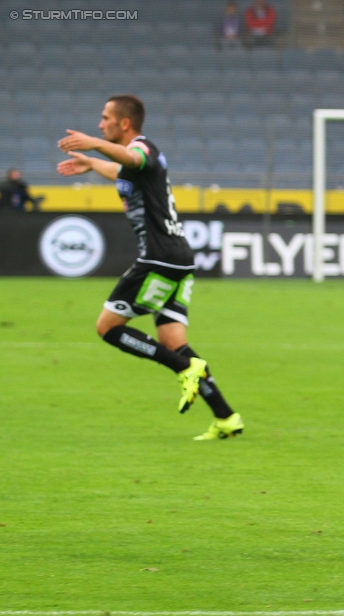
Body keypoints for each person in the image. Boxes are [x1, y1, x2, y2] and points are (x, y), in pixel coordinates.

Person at [55, 94, 244, 441]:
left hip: (159, 258)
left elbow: (133, 157)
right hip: (178, 257)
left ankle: (184, 369)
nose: (100, 124)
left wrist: (94, 145)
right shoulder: (134, 165)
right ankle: (225, 416)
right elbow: (124, 169)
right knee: (173, 339)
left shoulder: (144, 148)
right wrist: (94, 163)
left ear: (124, 123)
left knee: (108, 327)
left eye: (105, 118)